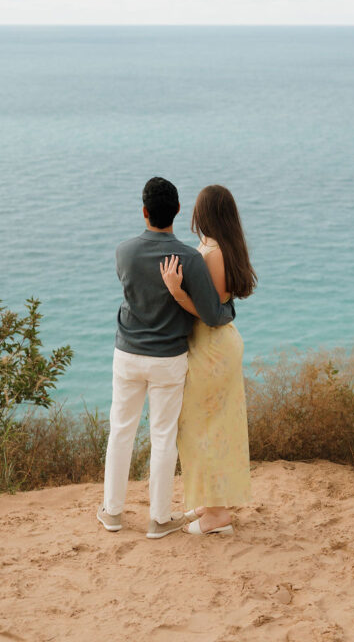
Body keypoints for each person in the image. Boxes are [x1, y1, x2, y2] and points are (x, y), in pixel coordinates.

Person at [98, 176, 235, 540]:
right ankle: (158, 519)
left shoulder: (123, 251)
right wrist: (229, 309)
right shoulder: (189, 258)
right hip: (168, 359)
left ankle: (112, 512)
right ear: (176, 210)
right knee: (162, 436)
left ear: (144, 211)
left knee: (121, 431)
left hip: (127, 353)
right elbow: (213, 314)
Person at [160, 184, 256, 536]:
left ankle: (217, 514)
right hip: (219, 345)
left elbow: (209, 313)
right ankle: (208, 503)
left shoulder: (211, 252)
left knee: (202, 428)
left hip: (211, 347)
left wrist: (175, 291)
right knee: (210, 426)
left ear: (205, 214)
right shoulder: (226, 247)